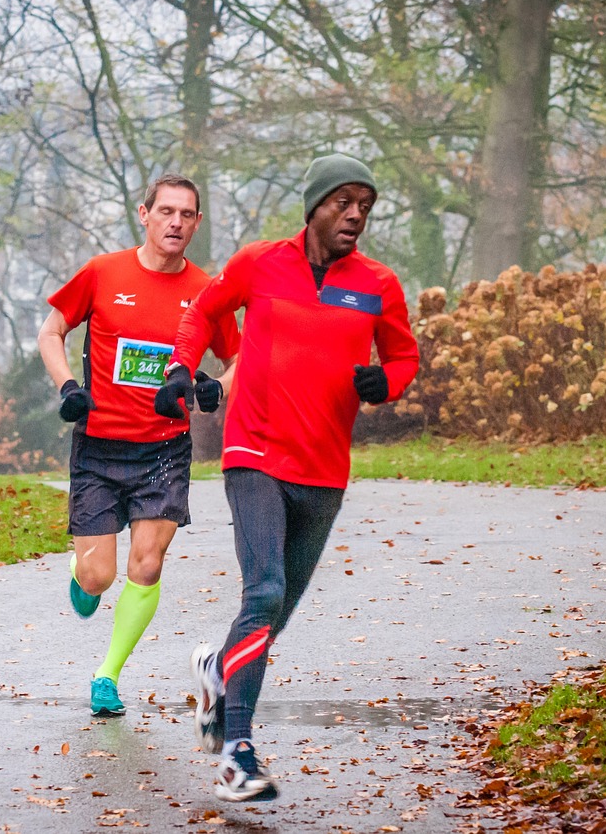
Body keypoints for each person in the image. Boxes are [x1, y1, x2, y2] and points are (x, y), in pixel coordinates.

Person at [156, 154, 420, 802]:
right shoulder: (260, 263)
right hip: (254, 454)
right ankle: (236, 750)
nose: (356, 214)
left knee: (273, 616)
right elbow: (201, 311)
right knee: (265, 591)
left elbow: (404, 352)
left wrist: (387, 381)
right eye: (344, 201)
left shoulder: (378, 283)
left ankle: (219, 670)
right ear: (314, 207)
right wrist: (180, 369)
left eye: (366, 203)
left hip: (325, 470)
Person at [38, 173, 241, 718]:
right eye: (167, 211)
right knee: (98, 576)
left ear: (197, 223)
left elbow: (238, 359)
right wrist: (68, 386)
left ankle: (107, 674)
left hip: (164, 449)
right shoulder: (103, 273)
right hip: (100, 448)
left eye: (187, 214)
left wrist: (215, 387)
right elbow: (50, 331)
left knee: (147, 564)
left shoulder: (206, 290)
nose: (176, 222)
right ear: (144, 214)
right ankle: (84, 576)